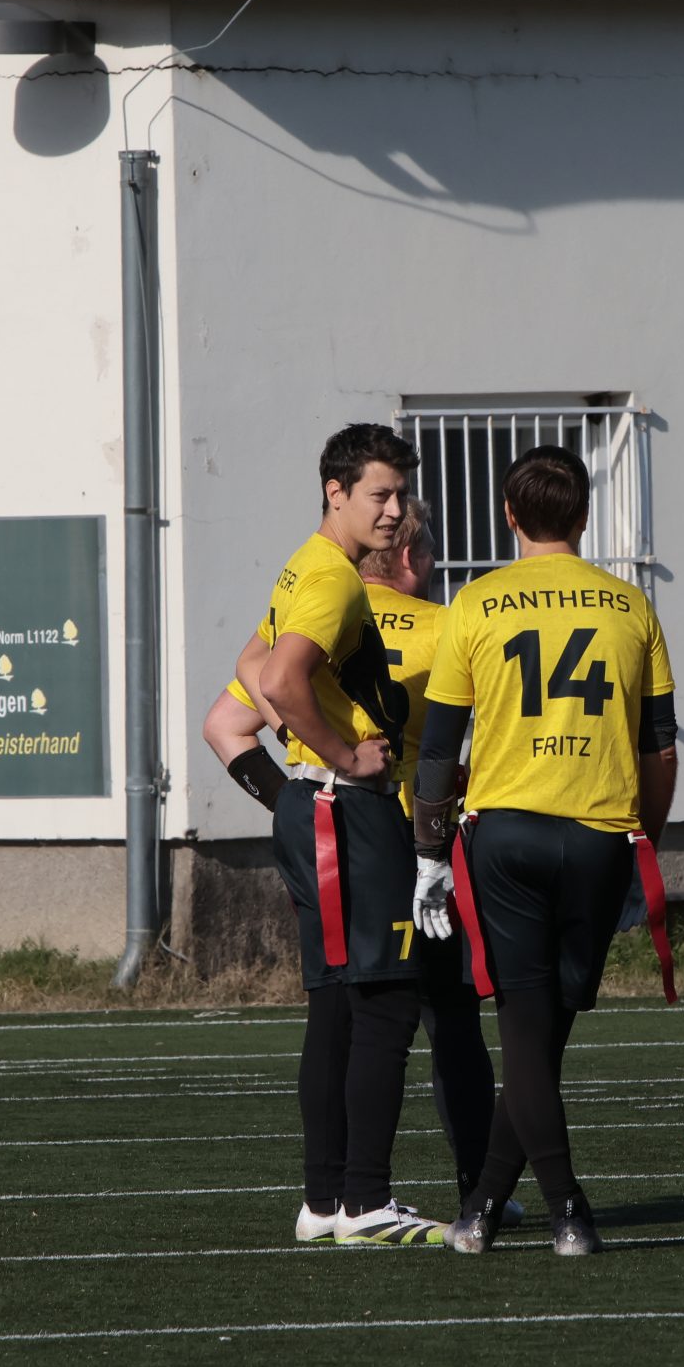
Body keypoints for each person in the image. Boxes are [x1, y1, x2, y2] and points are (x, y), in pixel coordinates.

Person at [411, 445, 678, 1257]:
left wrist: (428, 851)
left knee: (530, 1037)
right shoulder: (630, 605)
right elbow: (661, 747)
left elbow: (438, 748)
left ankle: (565, 1210)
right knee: (542, 1035)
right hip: (599, 832)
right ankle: (484, 1209)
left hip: (508, 835)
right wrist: (646, 836)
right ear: (586, 515)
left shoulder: (476, 601)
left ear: (508, 514)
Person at [205, 498, 503, 1222]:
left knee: (335, 1013)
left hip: (330, 832)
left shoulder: (322, 616)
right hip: (409, 841)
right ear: (409, 555)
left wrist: (294, 801)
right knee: (444, 1020)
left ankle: (327, 1194)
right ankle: (475, 1189)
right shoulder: (444, 625)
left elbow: (224, 725)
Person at [246, 424, 449, 1247]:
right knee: (387, 999)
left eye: (401, 494)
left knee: (335, 1006)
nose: (395, 510)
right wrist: (341, 754)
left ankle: (326, 1200)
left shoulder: (306, 562)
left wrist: (306, 752)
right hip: (346, 809)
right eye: (380, 494)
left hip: (316, 806)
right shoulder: (331, 576)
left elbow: (252, 665)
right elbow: (278, 675)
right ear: (336, 492)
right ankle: (365, 1201)